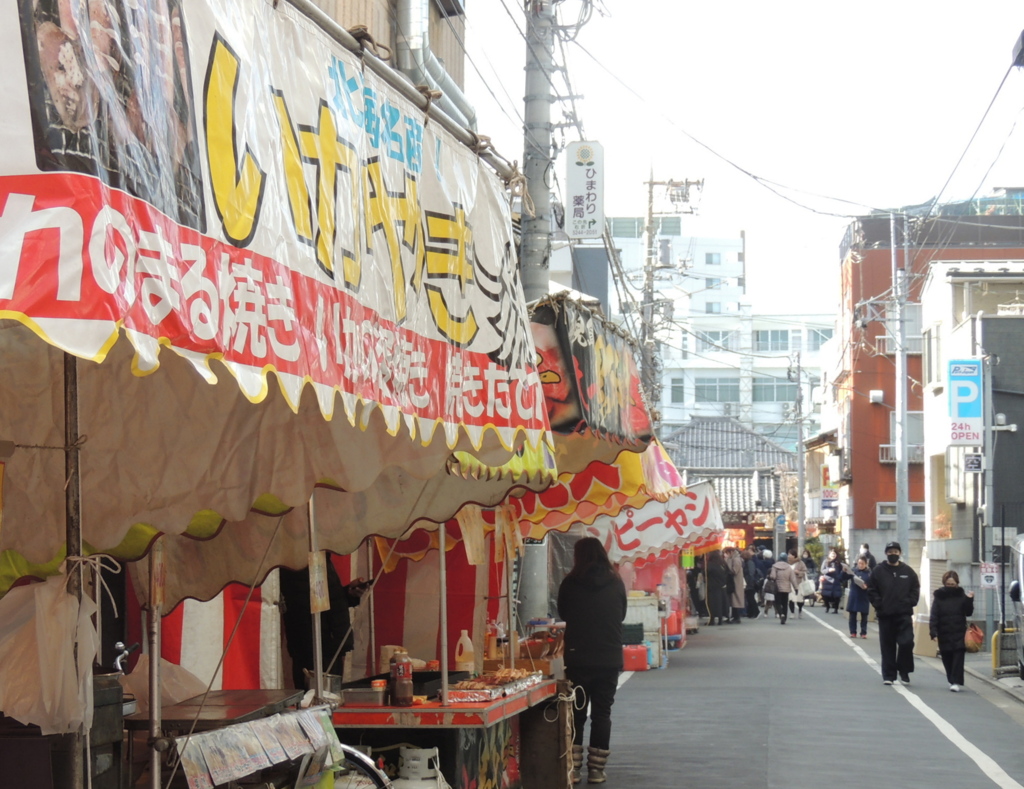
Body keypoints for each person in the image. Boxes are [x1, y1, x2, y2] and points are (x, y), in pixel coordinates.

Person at [557, 537, 627, 784]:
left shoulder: (569, 583)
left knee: (576, 713)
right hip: (609, 657)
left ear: (578, 557)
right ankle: (597, 770)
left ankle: (574, 769)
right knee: (602, 713)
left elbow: (563, 613)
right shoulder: (616, 582)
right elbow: (622, 614)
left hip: (578, 658)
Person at [279, 558, 369, 689]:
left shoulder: (320, 559)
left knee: (329, 693)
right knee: (316, 696)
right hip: (317, 643)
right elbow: (304, 605)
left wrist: (349, 593)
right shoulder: (297, 563)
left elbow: (328, 598)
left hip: (329, 640)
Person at [867, 541, 920, 686]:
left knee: (907, 642)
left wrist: (910, 602)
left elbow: (915, 589)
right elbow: (871, 589)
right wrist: (879, 604)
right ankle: (889, 675)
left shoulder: (908, 572)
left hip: (904, 614)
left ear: (900, 553)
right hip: (885, 615)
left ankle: (904, 670)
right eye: (890, 552)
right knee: (887, 645)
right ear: (886, 553)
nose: (893, 554)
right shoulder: (878, 570)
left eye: (895, 552)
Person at [929, 570, 975, 692]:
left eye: (952, 584)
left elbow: (968, 612)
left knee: (958, 657)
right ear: (944, 583)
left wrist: (970, 599)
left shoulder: (961, 595)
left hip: (959, 631)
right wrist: (933, 632)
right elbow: (934, 615)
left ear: (957, 584)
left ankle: (956, 681)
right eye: (948, 584)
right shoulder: (939, 596)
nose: (950, 586)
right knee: (947, 657)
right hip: (944, 632)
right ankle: (951, 679)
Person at [846, 557, 872, 639]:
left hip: (864, 595)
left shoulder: (869, 573)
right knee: (852, 615)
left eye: (862, 564)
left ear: (866, 564)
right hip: (854, 594)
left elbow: (873, 584)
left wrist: (866, 586)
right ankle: (853, 632)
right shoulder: (853, 571)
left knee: (864, 615)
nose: (860, 565)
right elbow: (842, 578)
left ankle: (863, 632)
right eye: (859, 563)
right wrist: (844, 571)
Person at [768, 555, 797, 625]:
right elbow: (793, 579)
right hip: (786, 588)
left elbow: (773, 576)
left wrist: (770, 576)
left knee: (777, 602)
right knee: (785, 603)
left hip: (777, 588)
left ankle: (781, 614)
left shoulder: (775, 566)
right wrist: (796, 588)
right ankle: (785, 616)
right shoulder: (789, 567)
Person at [704, 551, 731, 626]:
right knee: (722, 603)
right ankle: (720, 619)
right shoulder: (723, 563)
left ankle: (712, 619)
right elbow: (728, 573)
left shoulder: (710, 565)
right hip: (722, 586)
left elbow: (706, 574)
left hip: (712, 586)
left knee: (712, 603)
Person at [724, 547, 746, 623]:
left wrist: (727, 562)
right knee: (733, 600)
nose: (726, 555)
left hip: (736, 582)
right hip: (734, 582)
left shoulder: (736, 559)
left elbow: (734, 570)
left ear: (731, 552)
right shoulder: (735, 558)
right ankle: (734, 616)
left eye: (727, 553)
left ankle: (736, 617)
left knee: (735, 599)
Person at [819, 549, 845, 613]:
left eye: (834, 554)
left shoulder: (838, 562)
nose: (833, 555)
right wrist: (828, 570)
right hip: (827, 580)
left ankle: (836, 609)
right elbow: (822, 570)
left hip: (836, 581)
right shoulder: (825, 561)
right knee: (825, 595)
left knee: (837, 596)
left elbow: (841, 571)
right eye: (832, 553)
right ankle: (827, 606)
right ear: (829, 554)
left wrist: (842, 574)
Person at [742, 549, 762, 619]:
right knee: (749, 598)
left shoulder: (749, 563)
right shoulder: (748, 562)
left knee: (750, 598)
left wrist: (749, 582)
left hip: (750, 583)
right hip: (749, 582)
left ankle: (756, 612)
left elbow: (751, 573)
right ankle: (751, 613)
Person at [788, 549, 808, 619]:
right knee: (791, 598)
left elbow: (805, 571)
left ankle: (800, 610)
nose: (789, 556)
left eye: (790, 554)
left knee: (800, 599)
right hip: (790, 583)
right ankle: (792, 612)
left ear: (794, 556)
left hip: (799, 583)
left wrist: (798, 572)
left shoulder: (800, 563)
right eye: (789, 554)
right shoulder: (787, 563)